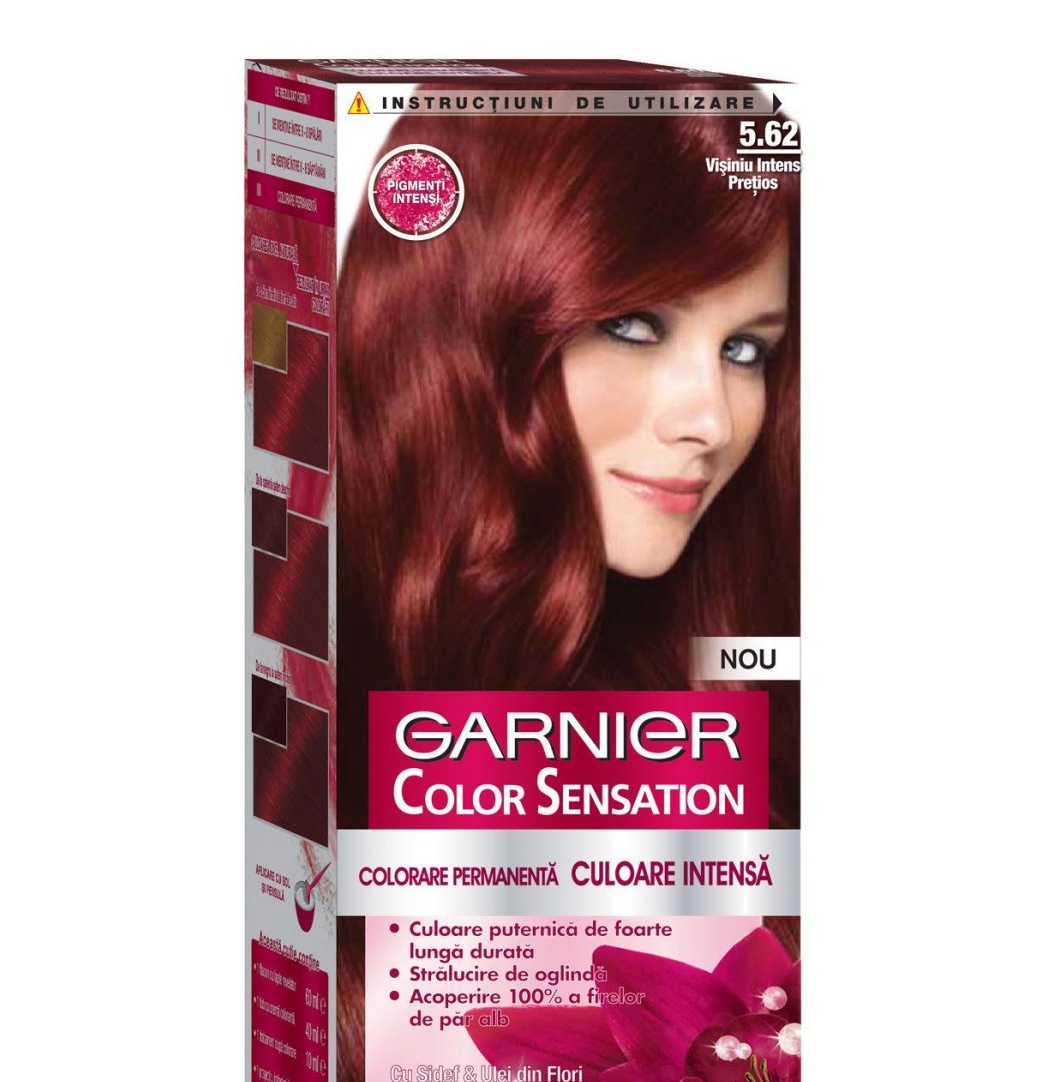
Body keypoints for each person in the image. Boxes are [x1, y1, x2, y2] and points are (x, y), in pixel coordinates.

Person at [337, 87, 799, 825]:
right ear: (467, 328)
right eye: (634, 327)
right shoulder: (307, 663)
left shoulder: (746, 683)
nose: (712, 423)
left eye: (745, 350)